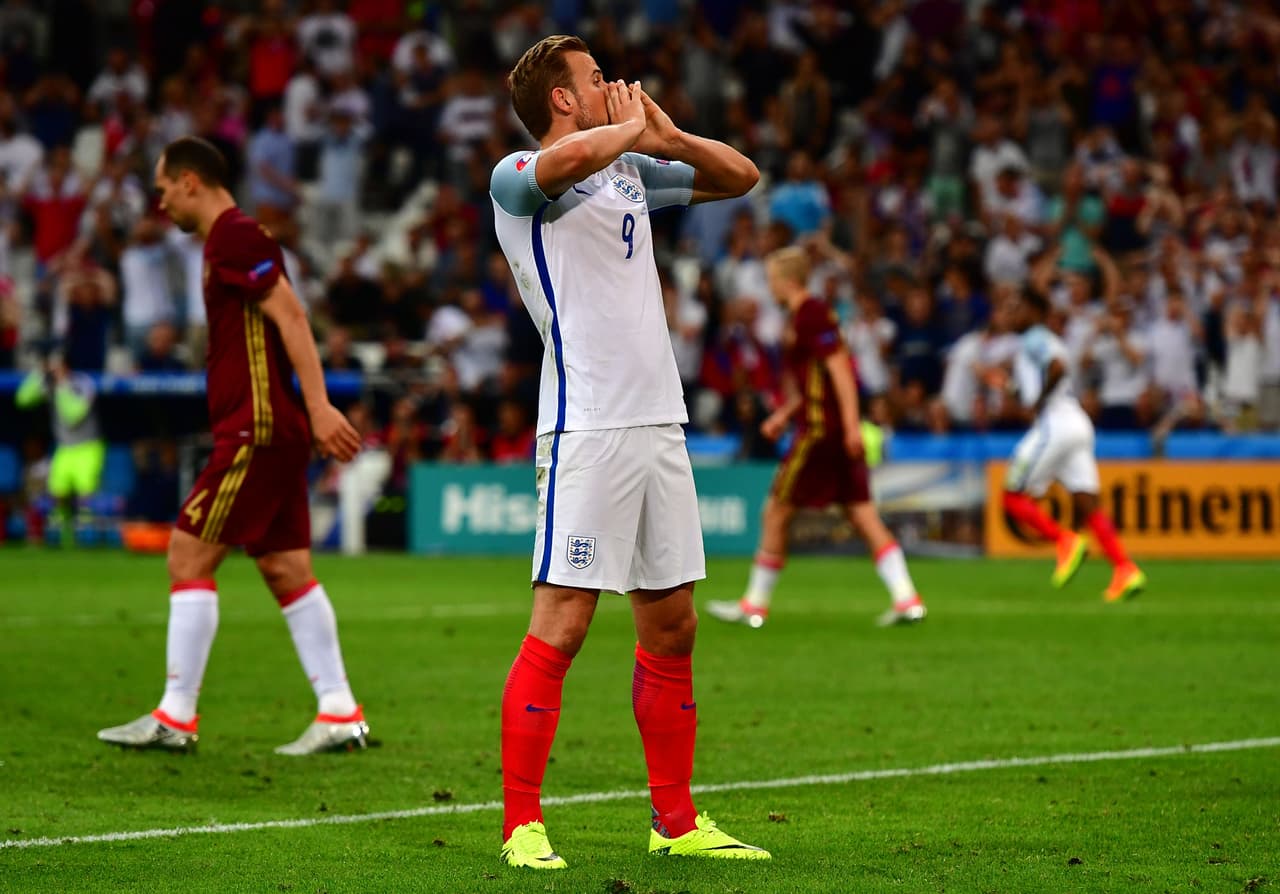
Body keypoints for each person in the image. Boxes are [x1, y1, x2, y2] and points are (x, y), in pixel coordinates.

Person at [488, 35, 767, 870]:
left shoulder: (630, 174)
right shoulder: (516, 179)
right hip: (588, 427)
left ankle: (676, 823)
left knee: (672, 625)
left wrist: (668, 139)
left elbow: (742, 176)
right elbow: (560, 164)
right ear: (563, 101)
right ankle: (521, 828)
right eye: (596, 78)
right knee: (564, 622)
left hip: (658, 423)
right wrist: (629, 130)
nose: (613, 85)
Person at [97, 137, 368, 755]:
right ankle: (339, 711)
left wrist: (321, 405)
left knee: (187, 557)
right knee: (285, 568)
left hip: (258, 428)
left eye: (164, 188)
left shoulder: (233, 236)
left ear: (191, 180)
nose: (160, 202)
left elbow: (293, 317)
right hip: (270, 429)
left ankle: (175, 715)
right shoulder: (236, 238)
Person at [705, 247, 925, 630]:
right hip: (827, 428)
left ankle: (754, 605)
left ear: (788, 281)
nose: (769, 289)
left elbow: (840, 369)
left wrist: (852, 427)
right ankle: (908, 599)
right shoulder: (804, 316)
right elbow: (812, 383)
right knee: (861, 514)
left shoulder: (810, 314)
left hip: (822, 433)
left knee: (776, 510)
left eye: (772, 280)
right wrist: (784, 415)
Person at [1001, 287, 1146, 602]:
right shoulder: (1041, 340)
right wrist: (1014, 391)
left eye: (1016, 308)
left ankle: (1064, 540)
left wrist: (1037, 401)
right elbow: (1044, 376)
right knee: (1087, 503)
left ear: (1033, 312)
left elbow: (1057, 368)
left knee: (1011, 495)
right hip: (1077, 422)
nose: (1010, 315)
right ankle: (1125, 569)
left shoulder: (1034, 337)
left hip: (1056, 422)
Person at [15, 354, 105, 546]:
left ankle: (87, 538)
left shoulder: (81, 384)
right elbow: (22, 399)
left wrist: (62, 385)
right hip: (64, 447)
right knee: (58, 493)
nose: (54, 371)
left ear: (66, 367)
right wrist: (38, 374)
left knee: (85, 495)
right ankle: (62, 537)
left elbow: (73, 415)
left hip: (88, 447)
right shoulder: (51, 384)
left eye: (58, 367)